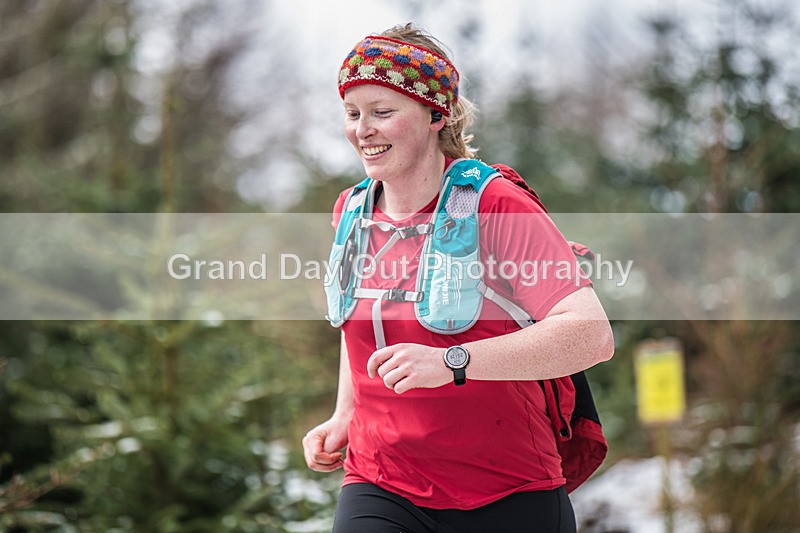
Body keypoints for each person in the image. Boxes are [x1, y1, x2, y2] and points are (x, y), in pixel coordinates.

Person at [302, 23, 614, 533]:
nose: (363, 129)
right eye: (353, 113)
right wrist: (345, 416)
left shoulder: (495, 205)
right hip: (381, 481)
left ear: (434, 114)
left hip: (507, 488)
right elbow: (357, 321)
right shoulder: (351, 212)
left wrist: (452, 361)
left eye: (383, 112)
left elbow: (591, 335)